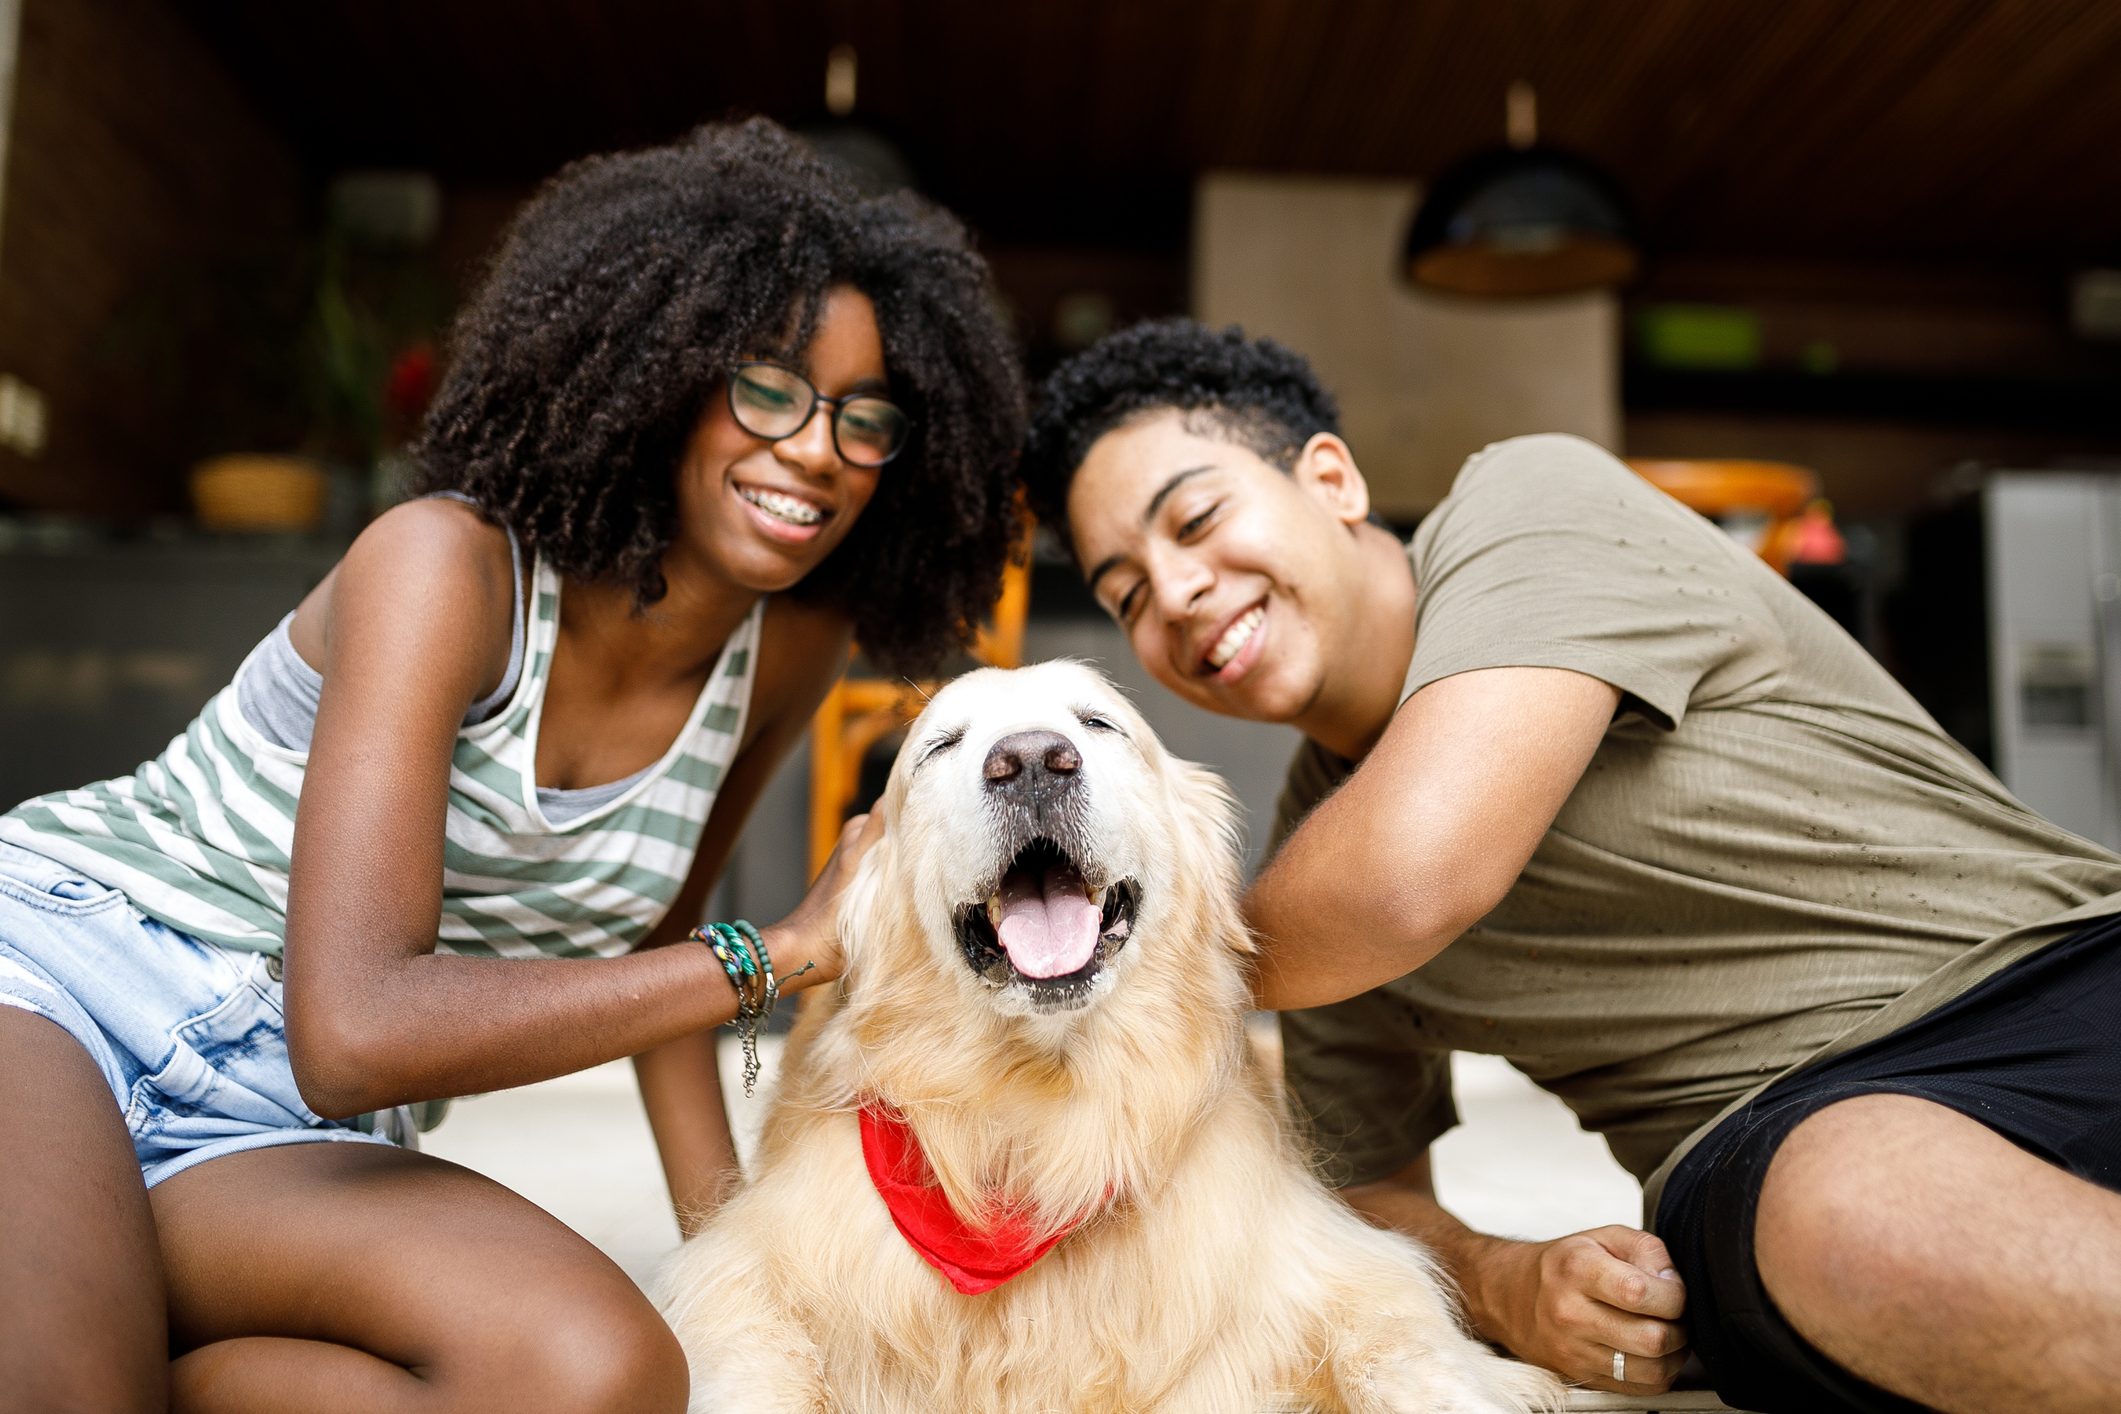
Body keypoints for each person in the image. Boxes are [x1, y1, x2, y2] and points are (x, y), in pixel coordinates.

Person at [0, 118, 1022, 1414]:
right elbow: (356, 1029)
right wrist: (778, 949)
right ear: (664, 376)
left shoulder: (787, 649)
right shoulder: (448, 568)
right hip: (66, 980)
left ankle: (118, 1314)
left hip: (279, 1126)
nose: (817, 449)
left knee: (601, 1373)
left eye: (865, 421)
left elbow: (658, 936)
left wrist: (742, 1262)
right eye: (767, 390)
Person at [1018, 317, 2121, 1414]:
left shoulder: (1527, 506)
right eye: (1125, 593)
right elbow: (1364, 1184)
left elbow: (1413, 874)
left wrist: (1092, 957)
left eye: (1197, 518)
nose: (1175, 593)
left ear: (1331, 478)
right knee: (1852, 1220)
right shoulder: (1322, 890)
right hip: (1789, 1134)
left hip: (2066, 964)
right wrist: (1504, 1279)